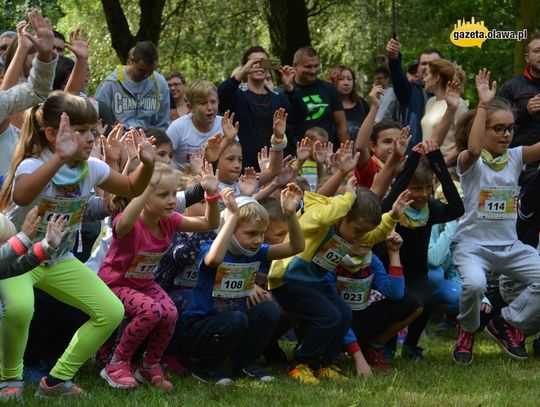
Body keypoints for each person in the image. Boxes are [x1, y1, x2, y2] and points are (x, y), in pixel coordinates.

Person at [0, 90, 156, 399]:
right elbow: (22, 196)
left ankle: (58, 380)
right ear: (51, 134)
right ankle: (9, 379)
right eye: (81, 131)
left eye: (93, 130)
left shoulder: (91, 168)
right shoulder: (33, 165)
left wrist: (147, 165)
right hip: (19, 257)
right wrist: (58, 157)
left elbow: (130, 186)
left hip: (57, 259)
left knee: (110, 310)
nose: (90, 138)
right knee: (20, 308)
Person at [268, 179, 411, 384]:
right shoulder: (318, 218)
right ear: (342, 216)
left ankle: (323, 363)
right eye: (358, 230)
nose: (361, 238)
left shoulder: (351, 231)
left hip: (313, 280)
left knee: (343, 314)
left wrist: (393, 216)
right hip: (289, 278)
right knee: (328, 316)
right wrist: (347, 199)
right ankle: (302, 364)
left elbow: (375, 234)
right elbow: (319, 218)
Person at [98, 161, 220, 391]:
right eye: (163, 195)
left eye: (174, 193)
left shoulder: (169, 220)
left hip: (143, 283)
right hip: (115, 283)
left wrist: (211, 194)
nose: (172, 200)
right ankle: (116, 363)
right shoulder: (130, 221)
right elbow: (123, 224)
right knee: (151, 311)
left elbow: (209, 223)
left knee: (170, 312)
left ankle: (149, 365)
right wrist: (144, 188)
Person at [451, 69, 540, 365]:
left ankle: (507, 323)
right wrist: (483, 105)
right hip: (472, 246)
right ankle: (466, 330)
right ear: (483, 127)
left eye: (510, 128)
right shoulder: (469, 162)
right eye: (498, 128)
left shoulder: (515, 157)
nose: (506, 134)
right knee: (475, 285)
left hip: (509, 247)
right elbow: (474, 148)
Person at [181, 186, 304, 385]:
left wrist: (290, 214)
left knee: (268, 310)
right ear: (229, 229)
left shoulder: (255, 251)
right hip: (199, 330)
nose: (258, 240)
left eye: (262, 234)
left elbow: (296, 247)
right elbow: (213, 260)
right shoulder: (210, 247)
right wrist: (232, 217)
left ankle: (245, 363)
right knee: (236, 318)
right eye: (251, 233)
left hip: (233, 324)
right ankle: (206, 368)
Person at [378, 140, 464, 362]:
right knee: (398, 304)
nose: (424, 194)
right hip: (390, 270)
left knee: (424, 304)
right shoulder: (395, 208)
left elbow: (457, 208)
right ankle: (385, 345)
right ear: (406, 187)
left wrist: (437, 161)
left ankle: (411, 346)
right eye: (417, 188)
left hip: (417, 272)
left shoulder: (431, 209)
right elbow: (388, 203)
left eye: (428, 187)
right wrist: (413, 160)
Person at [329, 231, 422, 374]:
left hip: (359, 319)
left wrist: (394, 252)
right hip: (334, 323)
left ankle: (372, 347)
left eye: (371, 234)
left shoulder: (372, 260)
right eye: (360, 232)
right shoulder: (330, 260)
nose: (366, 240)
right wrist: (358, 357)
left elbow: (396, 294)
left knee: (413, 302)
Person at [218, 46, 306, 169]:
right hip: (246, 166)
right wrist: (240, 74)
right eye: (254, 63)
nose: (259, 66)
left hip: (276, 164)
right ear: (246, 66)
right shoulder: (239, 97)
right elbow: (221, 97)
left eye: (264, 62)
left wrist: (289, 87)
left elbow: (301, 115)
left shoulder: (279, 98)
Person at [94, 41, 170, 131]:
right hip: (119, 139)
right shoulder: (110, 84)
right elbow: (99, 118)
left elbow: (163, 123)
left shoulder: (159, 83)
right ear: (132, 61)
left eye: (151, 71)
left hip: (149, 139)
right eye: (142, 70)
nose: (146, 75)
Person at [285, 46, 349, 151]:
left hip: (326, 154)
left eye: (316, 66)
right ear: (295, 66)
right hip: (297, 155)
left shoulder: (329, 89)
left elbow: (341, 125)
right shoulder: (285, 91)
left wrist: (346, 151)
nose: (313, 71)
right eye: (308, 67)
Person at [499, 32, 540, 185]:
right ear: (527, 57)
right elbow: (494, 126)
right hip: (520, 162)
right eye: (537, 51)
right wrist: (525, 111)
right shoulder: (512, 87)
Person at [386, 37, 443, 146]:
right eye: (423, 63)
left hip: (445, 159)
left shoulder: (454, 98)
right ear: (418, 69)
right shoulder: (410, 92)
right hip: (415, 157)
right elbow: (398, 77)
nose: (427, 67)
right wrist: (394, 58)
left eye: (433, 63)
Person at [167, 80, 229, 172]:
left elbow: (234, 159)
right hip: (183, 183)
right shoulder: (178, 127)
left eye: (213, 102)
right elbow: (162, 157)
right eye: (203, 103)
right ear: (190, 107)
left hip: (218, 182)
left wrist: (229, 139)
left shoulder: (224, 126)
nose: (210, 108)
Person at [421, 59, 468, 164]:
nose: (424, 79)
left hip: (448, 168)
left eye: (427, 74)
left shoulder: (459, 104)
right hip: (427, 166)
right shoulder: (430, 102)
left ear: (437, 77)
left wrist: (442, 164)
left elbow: (464, 142)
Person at [327, 65, 369, 142]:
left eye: (349, 79)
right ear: (332, 81)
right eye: (341, 79)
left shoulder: (361, 103)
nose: (346, 83)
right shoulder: (327, 104)